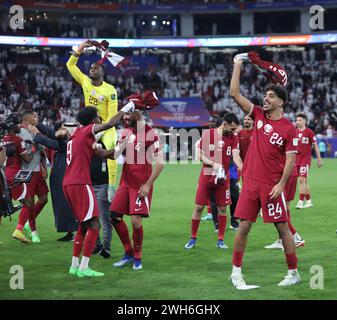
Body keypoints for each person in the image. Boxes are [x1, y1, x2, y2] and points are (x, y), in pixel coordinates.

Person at [229, 57, 300, 289]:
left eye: (271, 96)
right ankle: (236, 273)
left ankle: (293, 272)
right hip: (250, 183)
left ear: (281, 102)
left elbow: (291, 159)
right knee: (244, 226)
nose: (266, 99)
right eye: (265, 95)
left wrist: (280, 185)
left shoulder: (289, 129)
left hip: (271, 185)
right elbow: (235, 94)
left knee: (282, 228)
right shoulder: (257, 114)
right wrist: (238, 64)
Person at [63, 102, 135, 278]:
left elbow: (105, 155)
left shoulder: (77, 136)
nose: (99, 118)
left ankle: (74, 265)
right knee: (95, 224)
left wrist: (122, 145)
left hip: (69, 183)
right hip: (81, 183)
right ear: (91, 120)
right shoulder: (88, 130)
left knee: (83, 224)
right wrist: (127, 107)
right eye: (97, 116)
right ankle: (84, 267)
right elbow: (110, 124)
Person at [110, 110, 164, 271]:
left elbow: (160, 163)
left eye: (127, 115)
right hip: (125, 183)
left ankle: (138, 257)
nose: (124, 118)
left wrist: (148, 184)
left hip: (140, 184)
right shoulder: (126, 132)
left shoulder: (150, 134)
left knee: (135, 220)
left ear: (137, 115)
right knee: (114, 216)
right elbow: (115, 155)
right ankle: (128, 252)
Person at [66, 39, 119, 202]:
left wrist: (102, 128)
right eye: (91, 68)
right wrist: (81, 48)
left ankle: (111, 187)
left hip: (106, 127)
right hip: (90, 126)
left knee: (111, 148)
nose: (92, 69)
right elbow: (70, 66)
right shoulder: (85, 82)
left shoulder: (110, 89)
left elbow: (112, 116)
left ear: (102, 71)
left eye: (96, 67)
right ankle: (79, 183)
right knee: (77, 150)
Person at [185, 113, 243, 250]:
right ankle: (193, 238)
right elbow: (198, 154)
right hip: (207, 174)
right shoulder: (208, 134)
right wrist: (212, 163)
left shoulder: (233, 138)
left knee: (223, 208)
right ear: (225, 124)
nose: (234, 132)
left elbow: (236, 156)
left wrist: (242, 168)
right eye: (232, 128)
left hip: (223, 176)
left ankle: (220, 240)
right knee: (199, 207)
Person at [27, 121, 78, 241]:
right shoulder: (66, 140)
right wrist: (38, 124)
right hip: (59, 175)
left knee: (65, 204)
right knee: (61, 204)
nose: (61, 130)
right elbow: (51, 133)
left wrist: (36, 134)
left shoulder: (71, 142)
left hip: (64, 177)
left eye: (63, 129)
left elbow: (50, 143)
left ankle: (76, 231)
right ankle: (70, 231)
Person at [3, 114, 34, 243]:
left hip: (3, 174)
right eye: (17, 124)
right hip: (15, 175)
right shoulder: (17, 140)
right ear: (12, 127)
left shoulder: (4, 138)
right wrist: (33, 148)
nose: (19, 126)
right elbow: (27, 159)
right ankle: (18, 230)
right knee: (28, 202)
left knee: (2, 206)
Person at [18, 111, 49, 243]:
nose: (37, 118)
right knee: (29, 203)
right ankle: (33, 231)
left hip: (38, 171)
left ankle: (27, 223)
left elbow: (41, 152)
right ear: (28, 118)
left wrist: (44, 168)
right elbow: (24, 157)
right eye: (35, 117)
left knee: (43, 199)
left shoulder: (35, 131)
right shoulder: (20, 132)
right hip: (26, 173)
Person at [264, 163, 305, 249]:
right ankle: (282, 239)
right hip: (292, 172)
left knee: (278, 208)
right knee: (285, 206)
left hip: (283, 173)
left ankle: (295, 237)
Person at [295, 113, 323, 209]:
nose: (297, 122)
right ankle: (309, 201)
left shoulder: (309, 132)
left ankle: (300, 201)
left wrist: (319, 159)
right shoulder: (294, 132)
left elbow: (315, 146)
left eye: (300, 120)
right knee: (304, 182)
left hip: (305, 160)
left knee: (302, 180)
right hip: (296, 160)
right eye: (297, 120)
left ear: (305, 121)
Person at [91, 140, 113, 259]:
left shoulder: (106, 141)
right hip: (89, 185)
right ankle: (98, 244)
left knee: (104, 217)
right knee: (92, 217)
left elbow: (115, 154)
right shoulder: (86, 140)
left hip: (103, 185)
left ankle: (106, 247)